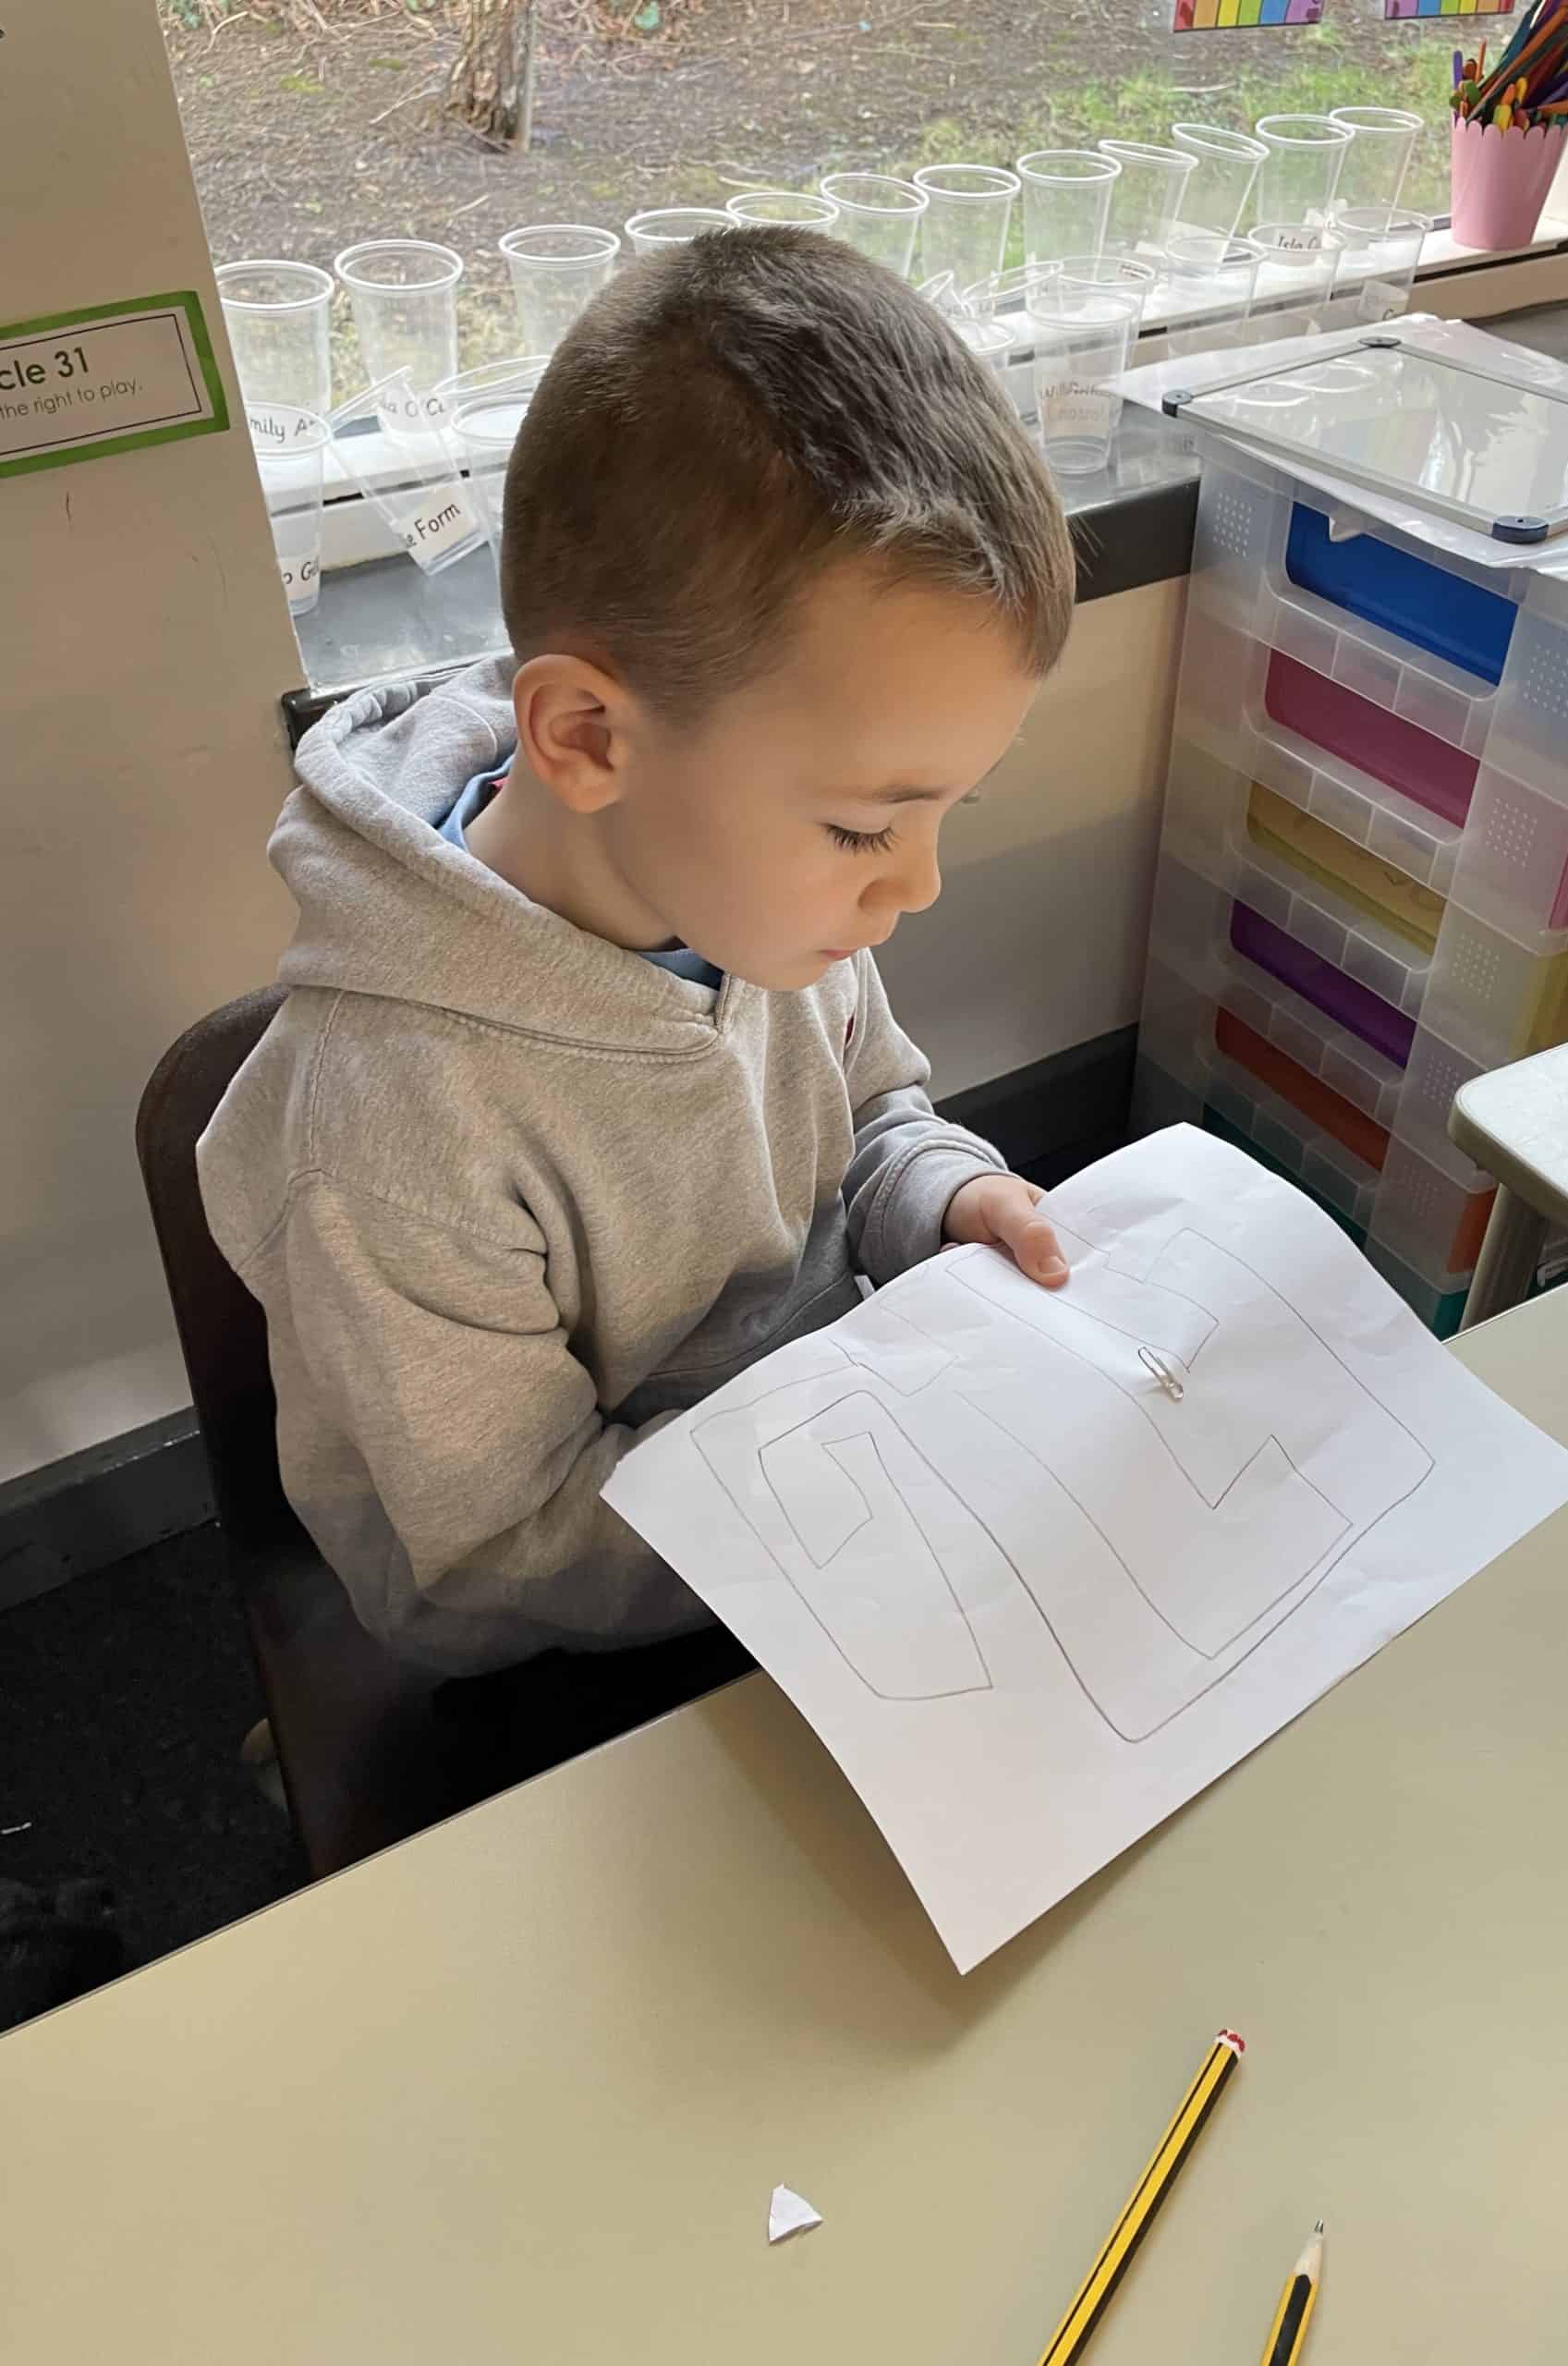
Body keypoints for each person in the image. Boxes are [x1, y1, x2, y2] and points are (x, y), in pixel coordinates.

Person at [198, 226, 1076, 1710]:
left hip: (831, 1480)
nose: (916, 886)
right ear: (587, 737)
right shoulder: (392, 1128)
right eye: (868, 825)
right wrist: (860, 1499)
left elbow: (873, 1119)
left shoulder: (767, 904)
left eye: (945, 813)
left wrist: (943, 1196)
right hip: (578, 1634)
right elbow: (501, 1553)